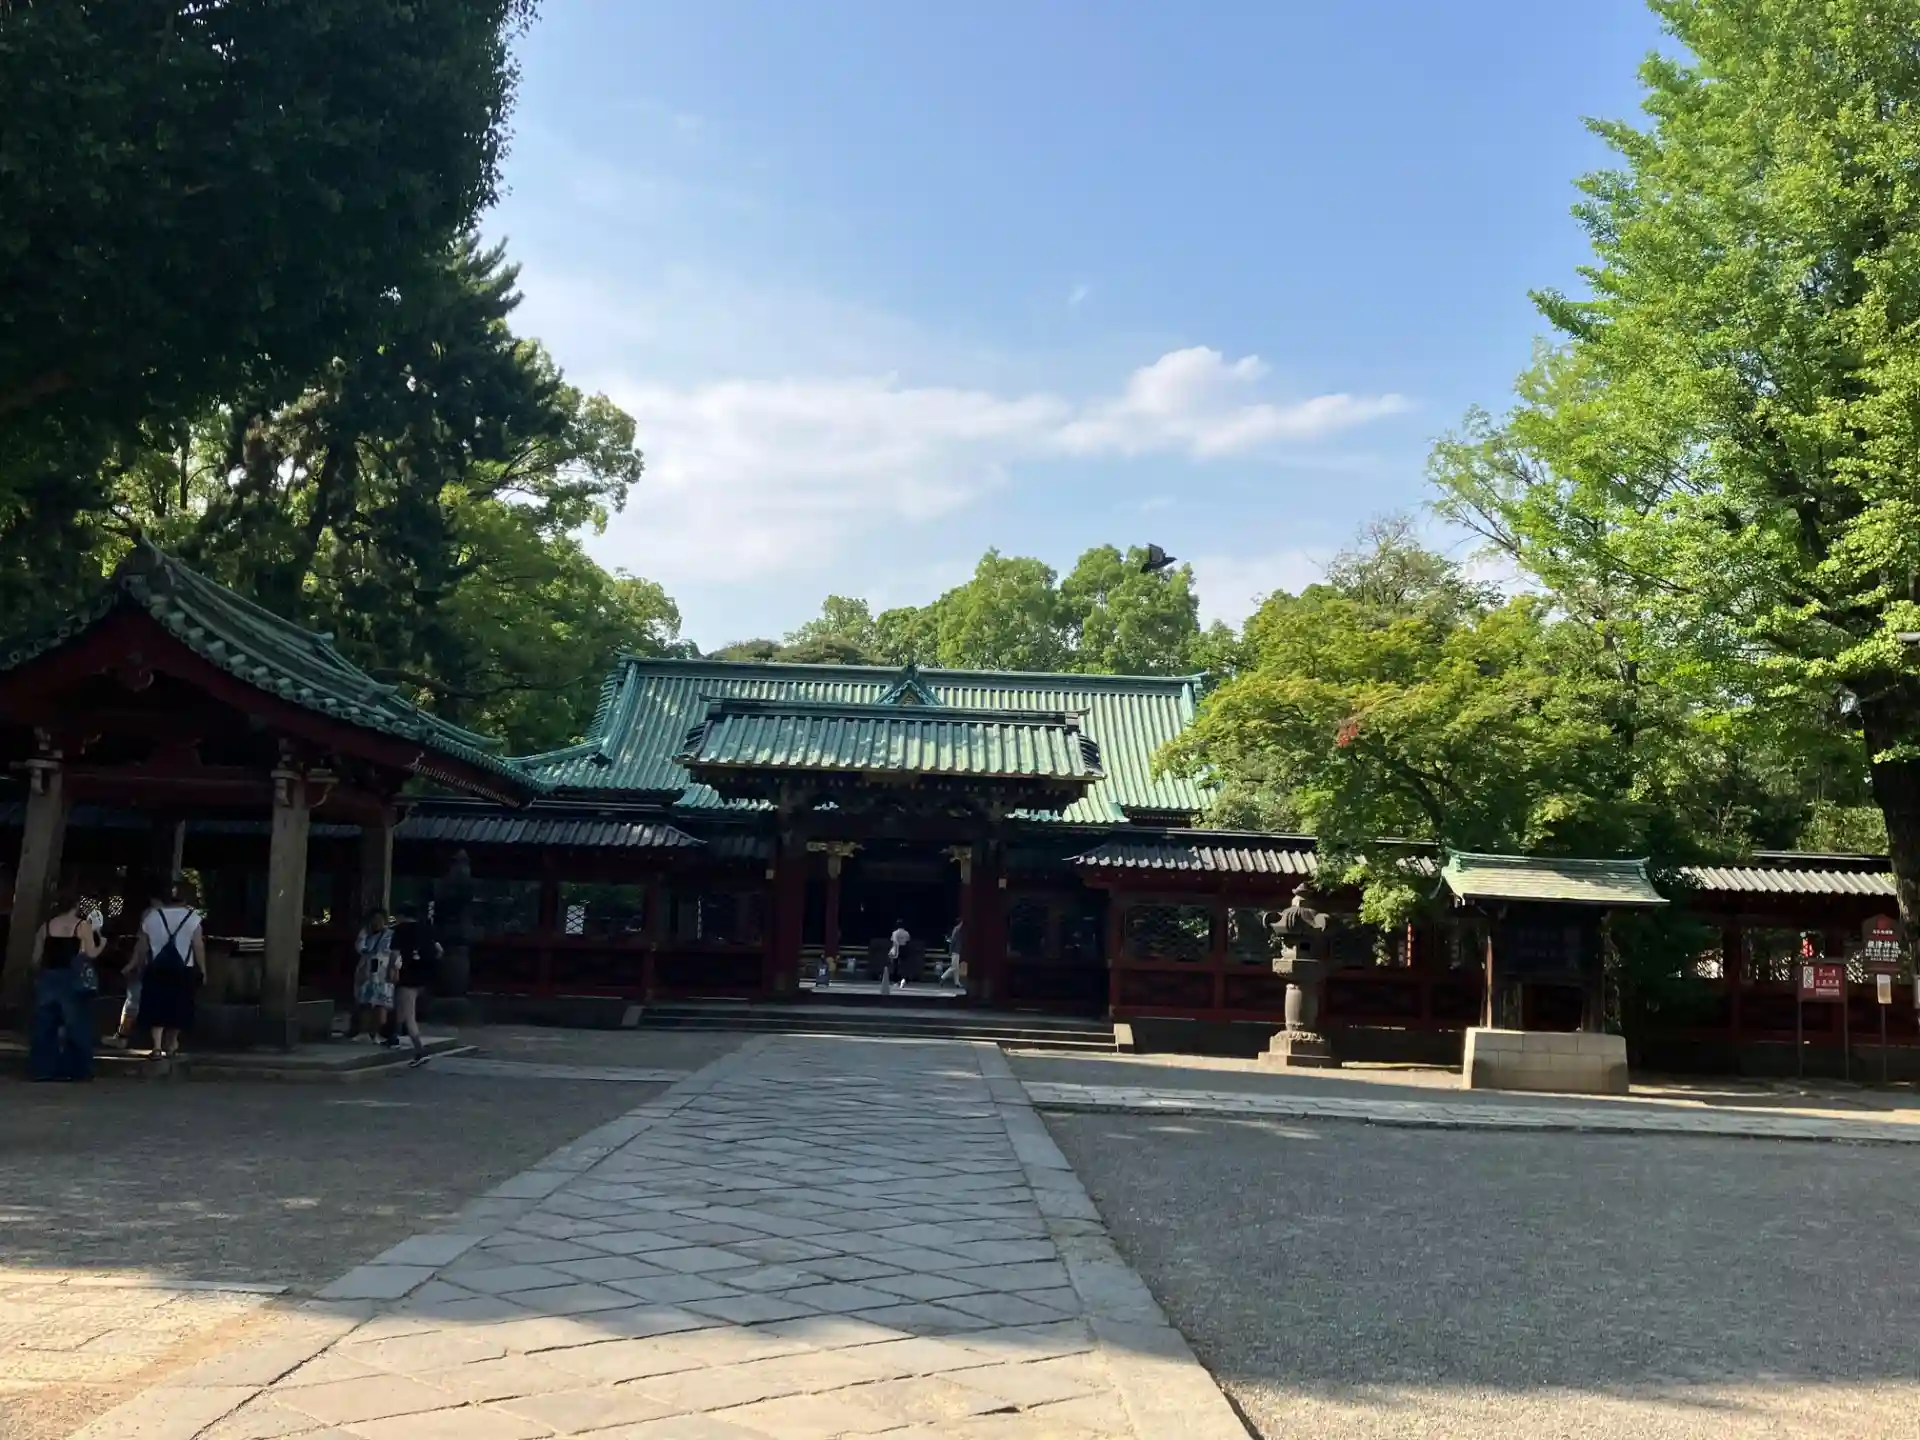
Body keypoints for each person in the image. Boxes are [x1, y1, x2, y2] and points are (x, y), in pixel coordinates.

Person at [30, 887, 105, 1081]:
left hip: (49, 977)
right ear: (76, 906)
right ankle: (76, 1070)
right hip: (72, 979)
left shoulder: (46, 927)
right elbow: (91, 954)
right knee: (76, 1025)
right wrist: (102, 944)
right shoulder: (82, 925)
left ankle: (43, 1069)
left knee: (45, 1026)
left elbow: (36, 958)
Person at [133, 879, 204, 1064]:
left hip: (156, 967)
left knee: (156, 1005)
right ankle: (172, 1043)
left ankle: (156, 1046)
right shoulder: (193, 918)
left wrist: (139, 965)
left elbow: (142, 946)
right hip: (183, 969)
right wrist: (203, 969)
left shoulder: (152, 917)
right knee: (179, 1006)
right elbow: (198, 945)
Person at [388, 905, 440, 1067]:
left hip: (407, 976)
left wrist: (392, 971)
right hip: (424, 976)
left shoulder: (400, 931)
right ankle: (394, 1036)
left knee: (409, 1015)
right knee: (401, 1006)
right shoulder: (426, 929)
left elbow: (395, 955)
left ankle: (420, 1050)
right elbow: (439, 950)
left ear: (401, 915)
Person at [349, 908, 392, 1041]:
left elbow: (386, 950)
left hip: (382, 971)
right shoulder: (366, 934)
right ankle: (364, 1031)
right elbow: (360, 948)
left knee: (380, 1004)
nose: (376, 923)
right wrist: (364, 934)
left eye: (379, 920)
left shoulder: (389, 935)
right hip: (366, 970)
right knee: (364, 1003)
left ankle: (377, 1032)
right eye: (374, 920)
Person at [882, 919, 910, 993]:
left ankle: (896, 980)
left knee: (895, 965)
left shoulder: (894, 933)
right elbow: (907, 941)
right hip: (904, 948)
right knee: (903, 965)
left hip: (897, 948)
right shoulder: (906, 933)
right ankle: (903, 979)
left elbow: (894, 942)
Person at [939, 919, 963, 987]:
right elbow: (953, 942)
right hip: (955, 951)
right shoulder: (957, 931)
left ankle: (957, 982)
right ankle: (943, 977)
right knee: (954, 967)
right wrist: (951, 951)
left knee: (956, 968)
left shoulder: (957, 930)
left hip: (957, 950)